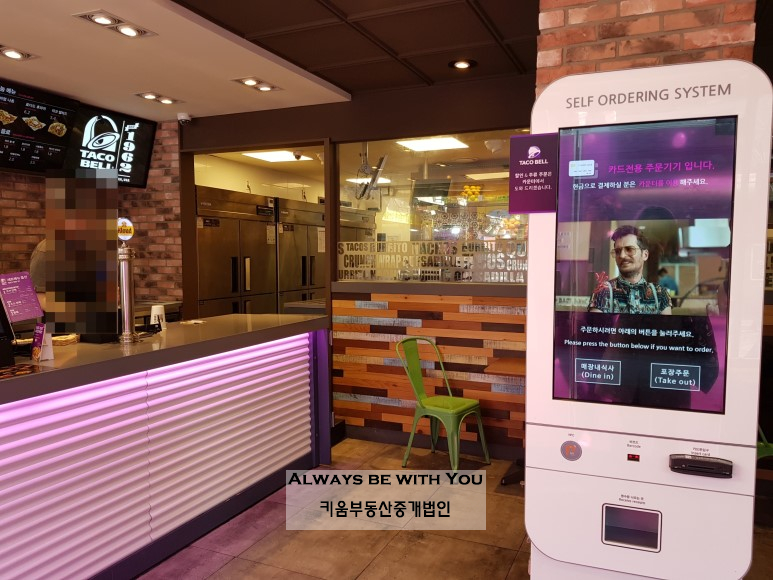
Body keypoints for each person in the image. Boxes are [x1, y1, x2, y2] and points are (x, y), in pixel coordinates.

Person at [588, 225, 672, 314]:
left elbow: (666, 323)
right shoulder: (603, 291)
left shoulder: (660, 294)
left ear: (645, 255)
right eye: (618, 251)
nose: (622, 256)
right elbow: (596, 323)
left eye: (629, 249)